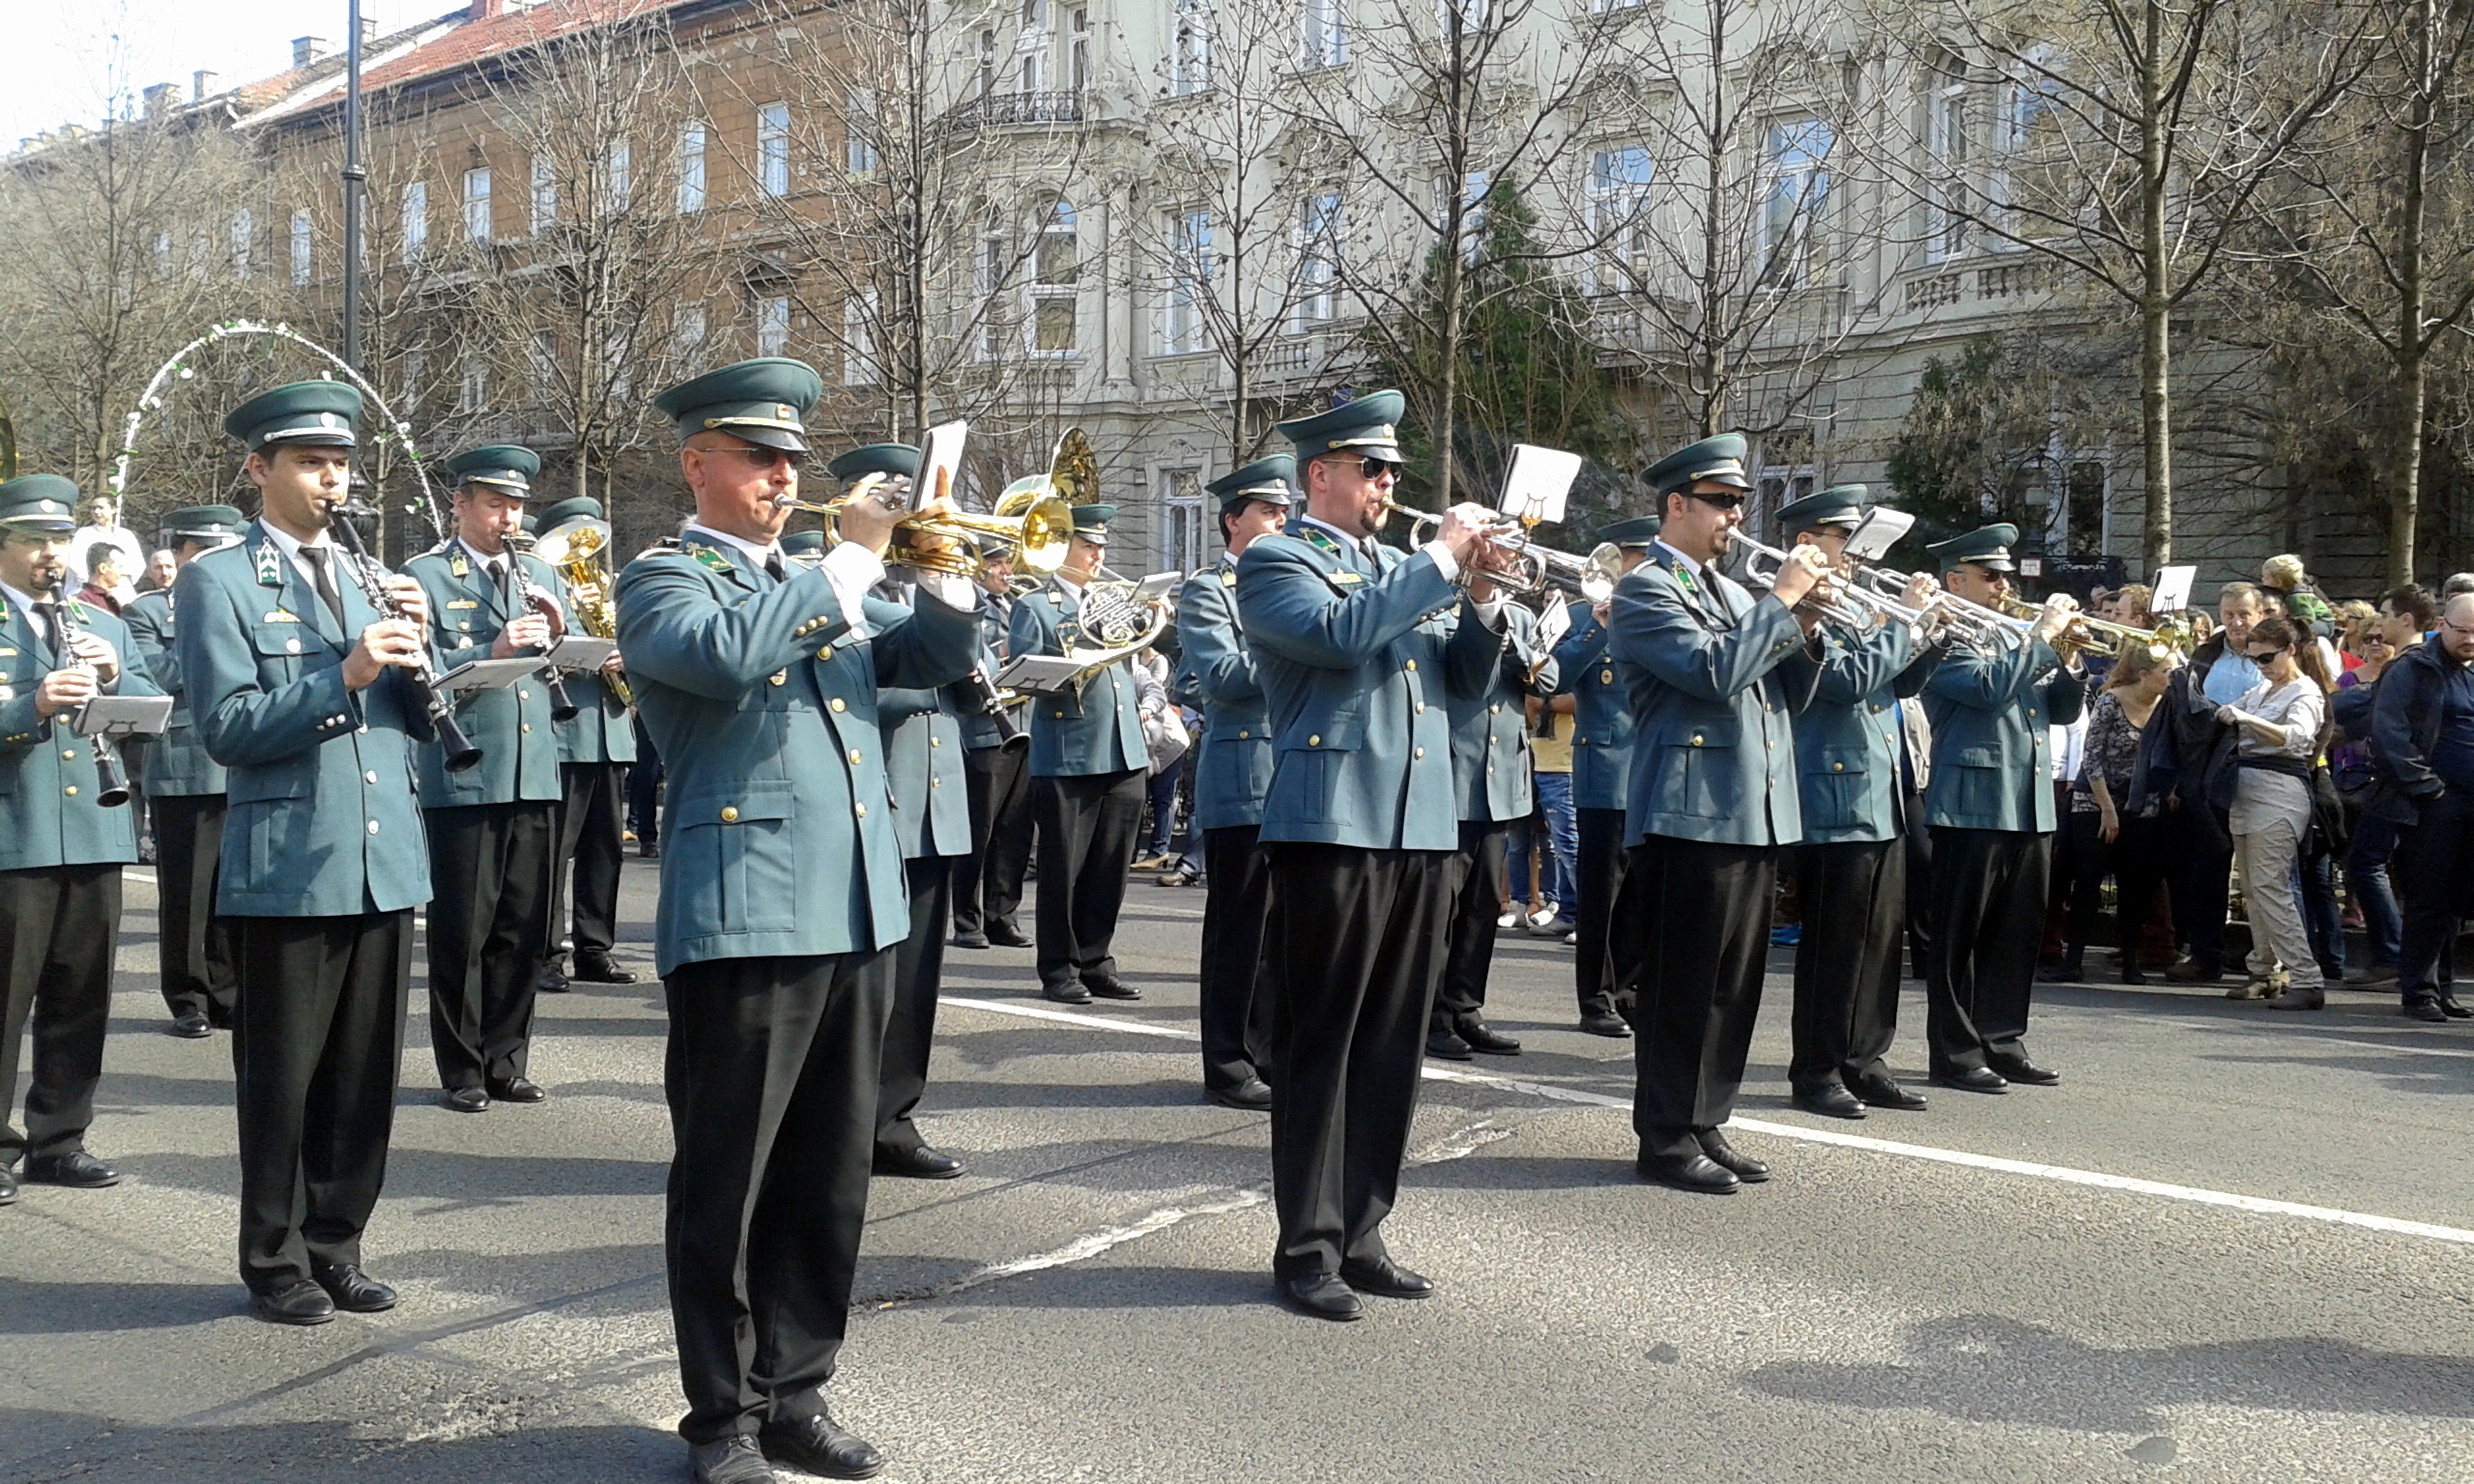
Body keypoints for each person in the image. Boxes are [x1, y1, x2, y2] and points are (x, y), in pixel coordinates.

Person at [615, 357, 979, 1484]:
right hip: (748, 913)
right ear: (699, 463)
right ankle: (720, 1417)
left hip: (857, 904)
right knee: (728, 1180)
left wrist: (945, 567)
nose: (783, 475)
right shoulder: (663, 580)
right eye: (760, 457)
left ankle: (795, 1391)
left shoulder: (819, 582)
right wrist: (855, 558)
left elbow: (926, 666)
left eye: (791, 460)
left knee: (827, 1176)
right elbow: (725, 663)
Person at [1234, 387, 1503, 1320]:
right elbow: (1340, 638)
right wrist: (1439, 562)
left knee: (1391, 1046)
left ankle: (1363, 1228)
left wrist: (1480, 595)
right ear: (1321, 475)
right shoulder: (1276, 559)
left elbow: (1465, 688)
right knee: (1322, 1044)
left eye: (1394, 470)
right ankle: (1306, 1245)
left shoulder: (1402, 568)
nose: (1390, 484)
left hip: (1421, 825)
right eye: (1372, 469)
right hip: (1332, 824)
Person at [180, 381, 437, 1325]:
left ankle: (339, 1245)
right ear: (261, 468)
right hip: (290, 860)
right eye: (310, 462)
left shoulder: (371, 570)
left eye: (340, 463)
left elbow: (412, 717)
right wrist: (349, 672)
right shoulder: (222, 579)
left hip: (381, 856)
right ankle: (274, 1260)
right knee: (283, 1080)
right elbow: (231, 729)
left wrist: (421, 647)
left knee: (364, 1077)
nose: (333, 479)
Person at [1614, 433, 1827, 1192]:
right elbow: (1712, 674)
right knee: (1684, 985)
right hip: (1689, 812)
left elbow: (1786, 696)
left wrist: (1804, 626)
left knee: (1733, 986)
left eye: (1740, 503)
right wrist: (1783, 603)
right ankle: (1665, 1135)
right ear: (1676, 504)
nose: (1736, 517)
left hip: (1751, 808)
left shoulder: (1735, 594)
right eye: (1722, 503)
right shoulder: (1646, 588)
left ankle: (1707, 1118)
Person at [0, 473, 162, 1209]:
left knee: (80, 997)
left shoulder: (106, 621)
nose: (51, 555)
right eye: (34, 540)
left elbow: (154, 710)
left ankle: (59, 1140)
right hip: (16, 834)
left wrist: (114, 670)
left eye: (59, 539)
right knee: (4, 1000)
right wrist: (28, 706)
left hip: (96, 830)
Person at [403, 446, 566, 1113]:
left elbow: (570, 657)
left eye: (517, 505)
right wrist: (489, 652)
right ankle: (463, 1068)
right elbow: (418, 676)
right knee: (462, 932)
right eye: (494, 504)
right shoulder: (424, 577)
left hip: (536, 773)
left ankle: (507, 1059)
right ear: (460, 505)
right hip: (467, 775)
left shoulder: (538, 572)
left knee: (524, 931)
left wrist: (558, 632)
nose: (508, 517)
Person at [835, 442, 974, 1184]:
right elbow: (858, 683)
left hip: (932, 800)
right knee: (863, 986)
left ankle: (893, 1118)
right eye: (892, 496)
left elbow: (955, 660)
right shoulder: (830, 581)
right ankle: (841, 1123)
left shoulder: (921, 583)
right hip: (874, 797)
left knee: (916, 980)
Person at [1778, 486, 1941, 1120]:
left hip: (1879, 793)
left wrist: (1927, 638)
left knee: (1878, 943)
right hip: (1831, 794)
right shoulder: (1803, 606)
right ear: (1807, 540)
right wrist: (1904, 623)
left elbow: (1896, 682)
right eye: (1843, 538)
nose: (1854, 553)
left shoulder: (1858, 603)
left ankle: (1865, 1061)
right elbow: (1843, 682)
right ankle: (1815, 1071)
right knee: (1833, 950)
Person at [1918, 523, 2085, 1095]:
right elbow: (1987, 689)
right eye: (1990, 576)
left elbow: (2059, 711)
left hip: (2029, 802)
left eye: (2006, 576)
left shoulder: (2014, 635)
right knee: (1959, 939)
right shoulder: (1944, 634)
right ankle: (1956, 1052)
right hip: (1970, 802)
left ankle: (2002, 1039)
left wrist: (2068, 656)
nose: (2002, 586)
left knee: (2016, 934)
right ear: (1955, 579)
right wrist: (2040, 637)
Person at [1173, 455, 1291, 1111]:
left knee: (1282, 932)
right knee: (1239, 931)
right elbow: (1220, 678)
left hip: (1296, 777)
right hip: (1243, 776)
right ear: (1232, 520)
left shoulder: (1293, 581)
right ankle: (1227, 1061)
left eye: (1284, 510)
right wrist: (1293, 640)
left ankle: (1271, 1050)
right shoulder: (1209, 590)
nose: (1281, 520)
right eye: (1269, 511)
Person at [1010, 504, 1151, 1004]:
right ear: (1062, 548)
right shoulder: (1037, 606)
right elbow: (1024, 679)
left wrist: (1153, 619)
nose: (1099, 555)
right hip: (1069, 752)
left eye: (1101, 546)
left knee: (1111, 868)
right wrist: (1074, 664)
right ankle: (1058, 968)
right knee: (1063, 870)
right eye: (1089, 545)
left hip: (1123, 748)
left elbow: (1134, 667)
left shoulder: (1110, 599)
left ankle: (1096, 960)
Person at [122, 503, 246, 1037]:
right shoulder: (148, 612)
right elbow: (159, 671)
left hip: (241, 762)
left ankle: (228, 992)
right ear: (180, 554)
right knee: (188, 892)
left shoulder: (240, 600)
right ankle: (187, 997)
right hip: (186, 764)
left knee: (232, 889)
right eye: (203, 551)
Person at [1430, 573, 1559, 1061]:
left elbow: (1548, 680)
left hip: (1500, 778)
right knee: (1442, 907)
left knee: (1485, 904)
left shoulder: (1521, 616)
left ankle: (1465, 1009)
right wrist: (1487, 633)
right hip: (1452, 771)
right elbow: (1459, 674)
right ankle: (1431, 1016)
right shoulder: (1443, 609)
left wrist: (1513, 647)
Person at [1553, 518, 1658, 1039]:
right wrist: (1596, 626)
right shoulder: (1581, 616)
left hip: (1653, 771)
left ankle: (1631, 991)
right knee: (1602, 894)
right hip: (1606, 773)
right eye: (1636, 563)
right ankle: (1595, 999)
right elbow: (1552, 677)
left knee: (1640, 893)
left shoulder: (1660, 617)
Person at [532, 495, 639, 989]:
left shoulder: (603, 589)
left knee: (604, 851)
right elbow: (539, 652)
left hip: (611, 735)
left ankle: (595, 950)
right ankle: (546, 955)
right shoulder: (539, 586)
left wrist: (627, 655)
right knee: (553, 854)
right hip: (564, 734)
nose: (584, 552)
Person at [2216, 615, 2334, 1009]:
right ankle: (2266, 970)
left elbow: (2299, 738)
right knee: (2252, 887)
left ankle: (2306, 978)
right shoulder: (2264, 688)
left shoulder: (2305, 692)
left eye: (2267, 657)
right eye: (2254, 659)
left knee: (2271, 887)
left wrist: (2247, 718)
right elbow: (2228, 711)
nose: (2261, 665)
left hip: (2280, 792)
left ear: (2291, 650)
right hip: (2248, 789)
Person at [2371, 591, 2474, 1023]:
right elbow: (2390, 732)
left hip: (2470, 805)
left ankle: (2444, 989)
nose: (2470, 639)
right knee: (2428, 900)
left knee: (2456, 904)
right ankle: (2419, 991)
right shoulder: (2413, 668)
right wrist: (2428, 788)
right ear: (2442, 626)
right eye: (2463, 630)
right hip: (2433, 803)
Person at [2047, 644, 2176, 985]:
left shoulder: (2166, 706)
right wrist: (2107, 810)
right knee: (2087, 879)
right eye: (2167, 671)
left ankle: (2131, 962)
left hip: (2140, 800)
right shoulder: (2110, 701)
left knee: (2135, 884)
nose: (2172, 677)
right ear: (2145, 675)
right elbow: (2091, 758)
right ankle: (2072, 960)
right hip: (2095, 797)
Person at [2161, 583, 2267, 985]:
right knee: (2207, 870)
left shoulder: (2276, 652)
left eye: (2244, 614)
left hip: (2258, 768)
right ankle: (2206, 955)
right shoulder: (2206, 655)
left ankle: (2271, 959)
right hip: (2205, 774)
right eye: (2228, 615)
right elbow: (2182, 719)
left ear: (2260, 614)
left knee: (2265, 875)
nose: (2237, 622)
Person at [2331, 585, 2432, 988]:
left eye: (2387, 614)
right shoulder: (2418, 660)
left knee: (2367, 862)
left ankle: (2393, 953)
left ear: (2406, 620)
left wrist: (2325, 712)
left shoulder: (2410, 663)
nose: (2381, 622)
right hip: (2399, 778)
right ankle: (2397, 954)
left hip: (2396, 780)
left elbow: (2374, 709)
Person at [951, 547, 1032, 950]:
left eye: (1007, 563)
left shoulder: (1019, 604)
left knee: (1014, 832)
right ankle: (967, 921)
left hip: (1024, 726)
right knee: (978, 831)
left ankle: (1003, 915)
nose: (1006, 571)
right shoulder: (967, 604)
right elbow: (970, 662)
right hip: (984, 732)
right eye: (996, 563)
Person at [65, 495, 144, 596]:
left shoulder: (126, 536)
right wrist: (95, 585)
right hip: (88, 591)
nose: (97, 512)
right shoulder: (83, 534)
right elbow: (75, 563)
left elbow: (137, 564)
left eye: (101, 508)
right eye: (93, 508)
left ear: (114, 510)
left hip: (120, 591)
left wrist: (118, 580)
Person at [75, 546, 128, 616]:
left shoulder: (113, 597)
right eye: (119, 567)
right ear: (103, 568)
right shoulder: (84, 600)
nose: (123, 573)